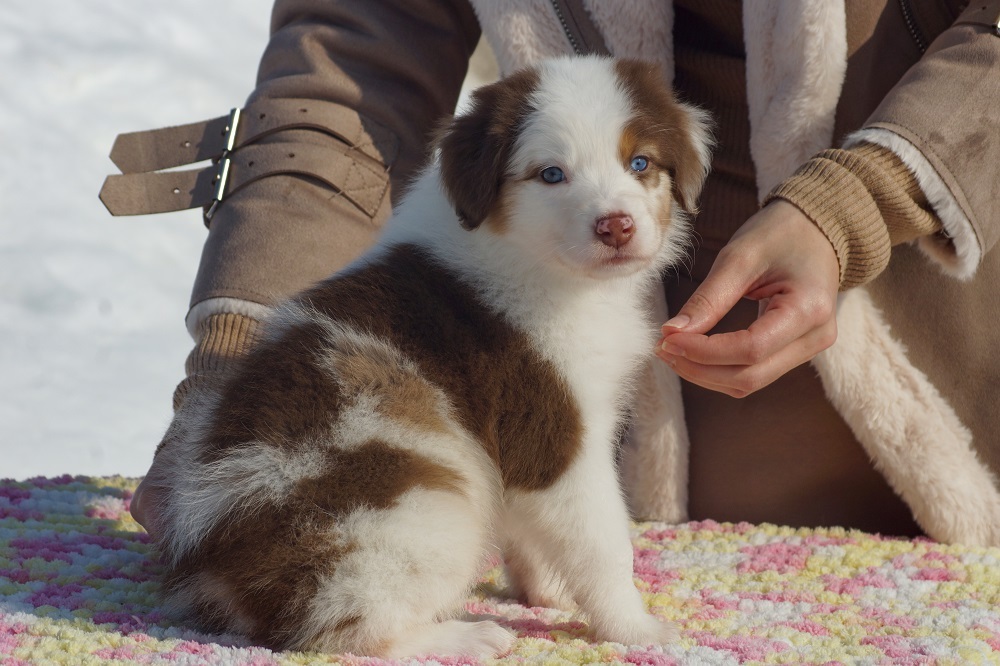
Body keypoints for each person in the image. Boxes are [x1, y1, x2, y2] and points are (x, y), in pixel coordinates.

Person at [118, 0, 1000, 543]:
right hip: (572, 523)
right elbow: (349, 79)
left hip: (951, 494)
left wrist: (859, 202)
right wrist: (238, 355)